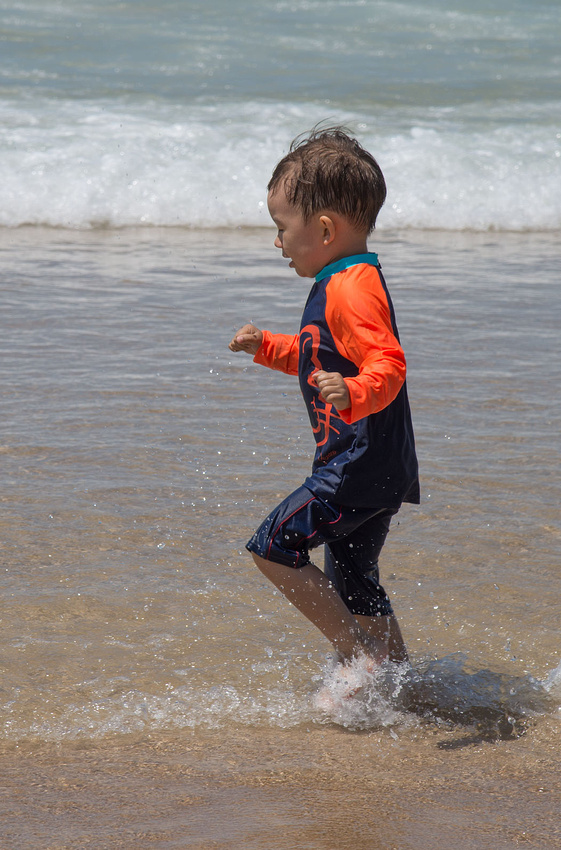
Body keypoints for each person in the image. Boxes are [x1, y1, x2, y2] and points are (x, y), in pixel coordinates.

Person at [229, 127, 420, 669]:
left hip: (356, 463)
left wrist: (355, 391)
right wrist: (267, 346)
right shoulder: (346, 279)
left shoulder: (351, 288)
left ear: (325, 228)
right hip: (380, 464)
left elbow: (388, 365)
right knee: (355, 580)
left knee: (273, 547)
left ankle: (354, 657)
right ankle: (397, 680)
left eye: (281, 227)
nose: (277, 242)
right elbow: (321, 360)